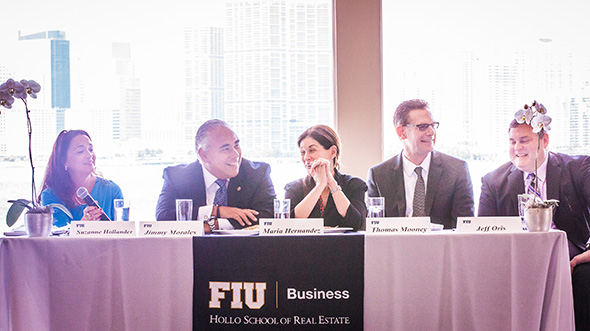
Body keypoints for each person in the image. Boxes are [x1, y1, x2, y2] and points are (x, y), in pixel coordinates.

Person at [478, 119, 590, 330]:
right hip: (515, 263)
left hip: (572, 259)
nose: (517, 148)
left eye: (524, 140)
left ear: (544, 140)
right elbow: (481, 236)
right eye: (512, 142)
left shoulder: (578, 168)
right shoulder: (493, 182)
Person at [367, 99, 474, 229]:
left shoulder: (457, 170)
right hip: (397, 247)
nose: (431, 132)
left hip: (441, 247)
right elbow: (375, 229)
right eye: (422, 126)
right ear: (401, 132)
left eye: (433, 125)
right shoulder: (379, 175)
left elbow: (464, 229)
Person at [155, 119, 276, 230]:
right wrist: (216, 211)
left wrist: (214, 225)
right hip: (192, 251)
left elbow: (269, 216)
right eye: (225, 149)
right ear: (204, 155)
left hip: (244, 250)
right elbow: (163, 216)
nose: (235, 154)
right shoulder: (178, 177)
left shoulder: (257, 173)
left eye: (236, 145)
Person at [284, 125, 367, 230]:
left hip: (343, 245)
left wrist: (332, 184)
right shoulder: (293, 188)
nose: (306, 157)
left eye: (312, 150)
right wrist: (319, 185)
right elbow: (288, 225)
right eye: (302, 152)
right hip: (305, 245)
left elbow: (357, 223)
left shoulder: (354, 184)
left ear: (333, 152)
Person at [39, 130, 123, 227]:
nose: (89, 155)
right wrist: (83, 225)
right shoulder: (50, 196)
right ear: (64, 161)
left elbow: (122, 234)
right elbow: (58, 238)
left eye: (90, 149)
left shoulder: (112, 190)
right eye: (80, 151)